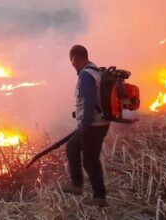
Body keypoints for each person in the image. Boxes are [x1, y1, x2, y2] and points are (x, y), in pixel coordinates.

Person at [61, 45, 110, 207]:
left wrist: (85, 123)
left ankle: (99, 197)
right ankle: (77, 184)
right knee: (72, 147)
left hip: (92, 125)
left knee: (90, 161)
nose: (72, 65)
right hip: (100, 122)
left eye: (72, 61)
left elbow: (89, 102)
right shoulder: (96, 70)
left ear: (76, 58)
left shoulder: (86, 75)